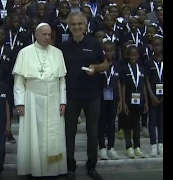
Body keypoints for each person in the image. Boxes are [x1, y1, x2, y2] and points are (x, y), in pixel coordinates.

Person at [13, 22, 67, 178]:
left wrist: (63, 101)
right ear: (36, 35)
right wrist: (20, 103)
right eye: (44, 34)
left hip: (53, 99)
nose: (47, 37)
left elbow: (62, 81)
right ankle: (34, 168)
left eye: (49, 35)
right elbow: (19, 82)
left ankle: (53, 170)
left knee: (53, 136)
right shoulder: (25, 52)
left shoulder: (57, 53)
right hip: (32, 101)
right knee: (33, 136)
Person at [60, 11, 108, 180]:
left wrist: (96, 68)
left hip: (92, 95)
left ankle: (91, 166)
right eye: (73, 24)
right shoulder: (63, 46)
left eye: (79, 24)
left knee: (93, 134)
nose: (76, 27)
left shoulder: (94, 43)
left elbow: (105, 63)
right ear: (69, 26)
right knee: (69, 133)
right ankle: (70, 167)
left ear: (85, 25)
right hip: (71, 96)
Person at [121, 44, 148, 159]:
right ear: (127, 55)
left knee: (137, 125)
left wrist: (146, 101)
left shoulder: (141, 69)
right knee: (127, 125)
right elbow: (122, 86)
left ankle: (137, 147)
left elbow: (144, 86)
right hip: (128, 101)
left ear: (138, 56)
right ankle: (129, 147)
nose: (133, 57)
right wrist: (123, 102)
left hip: (139, 101)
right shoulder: (124, 69)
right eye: (131, 55)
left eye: (135, 55)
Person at [98, 40, 121, 160]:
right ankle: (102, 147)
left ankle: (111, 147)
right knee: (101, 122)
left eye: (111, 51)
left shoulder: (117, 66)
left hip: (114, 99)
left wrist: (121, 101)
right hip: (101, 98)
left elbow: (119, 83)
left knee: (111, 123)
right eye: (106, 51)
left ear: (114, 52)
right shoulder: (100, 65)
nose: (108, 53)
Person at [145, 35, 163, 157]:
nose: (156, 47)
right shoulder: (148, 61)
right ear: (151, 46)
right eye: (154, 45)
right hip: (153, 97)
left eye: (159, 45)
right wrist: (151, 96)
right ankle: (153, 145)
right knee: (152, 121)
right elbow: (146, 80)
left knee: (161, 122)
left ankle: (161, 144)